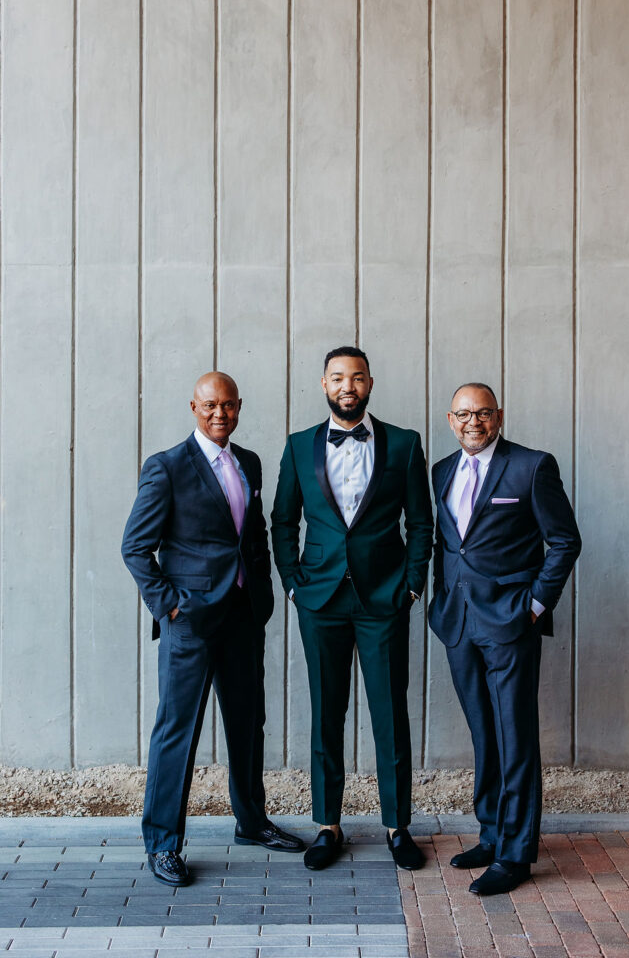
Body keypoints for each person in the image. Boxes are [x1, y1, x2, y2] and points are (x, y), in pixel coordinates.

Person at [121, 371, 303, 886]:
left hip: (243, 618)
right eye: (209, 406)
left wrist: (263, 594)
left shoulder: (249, 462)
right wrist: (171, 608)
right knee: (177, 731)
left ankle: (251, 821)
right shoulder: (167, 467)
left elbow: (255, 532)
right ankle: (162, 843)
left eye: (227, 405)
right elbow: (135, 547)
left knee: (248, 725)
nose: (219, 413)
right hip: (192, 623)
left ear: (239, 407)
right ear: (194, 408)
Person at [271, 347, 433, 872]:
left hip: (384, 598)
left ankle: (397, 826)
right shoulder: (298, 447)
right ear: (323, 384)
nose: (348, 386)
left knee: (390, 714)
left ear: (370, 383)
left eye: (357, 377)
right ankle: (327, 824)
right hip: (319, 599)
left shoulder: (405, 445)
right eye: (338, 378)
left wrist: (411, 586)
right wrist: (294, 584)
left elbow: (421, 523)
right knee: (326, 714)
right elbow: (282, 522)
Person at [429, 383, 581, 896]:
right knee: (484, 734)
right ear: (451, 419)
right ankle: (492, 833)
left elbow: (564, 541)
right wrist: (438, 601)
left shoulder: (532, 466)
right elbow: (445, 544)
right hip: (458, 623)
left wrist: (535, 606)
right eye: (465, 414)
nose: (475, 422)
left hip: (511, 623)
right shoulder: (442, 471)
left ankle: (516, 853)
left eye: (485, 413)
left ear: (498, 416)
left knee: (515, 736)